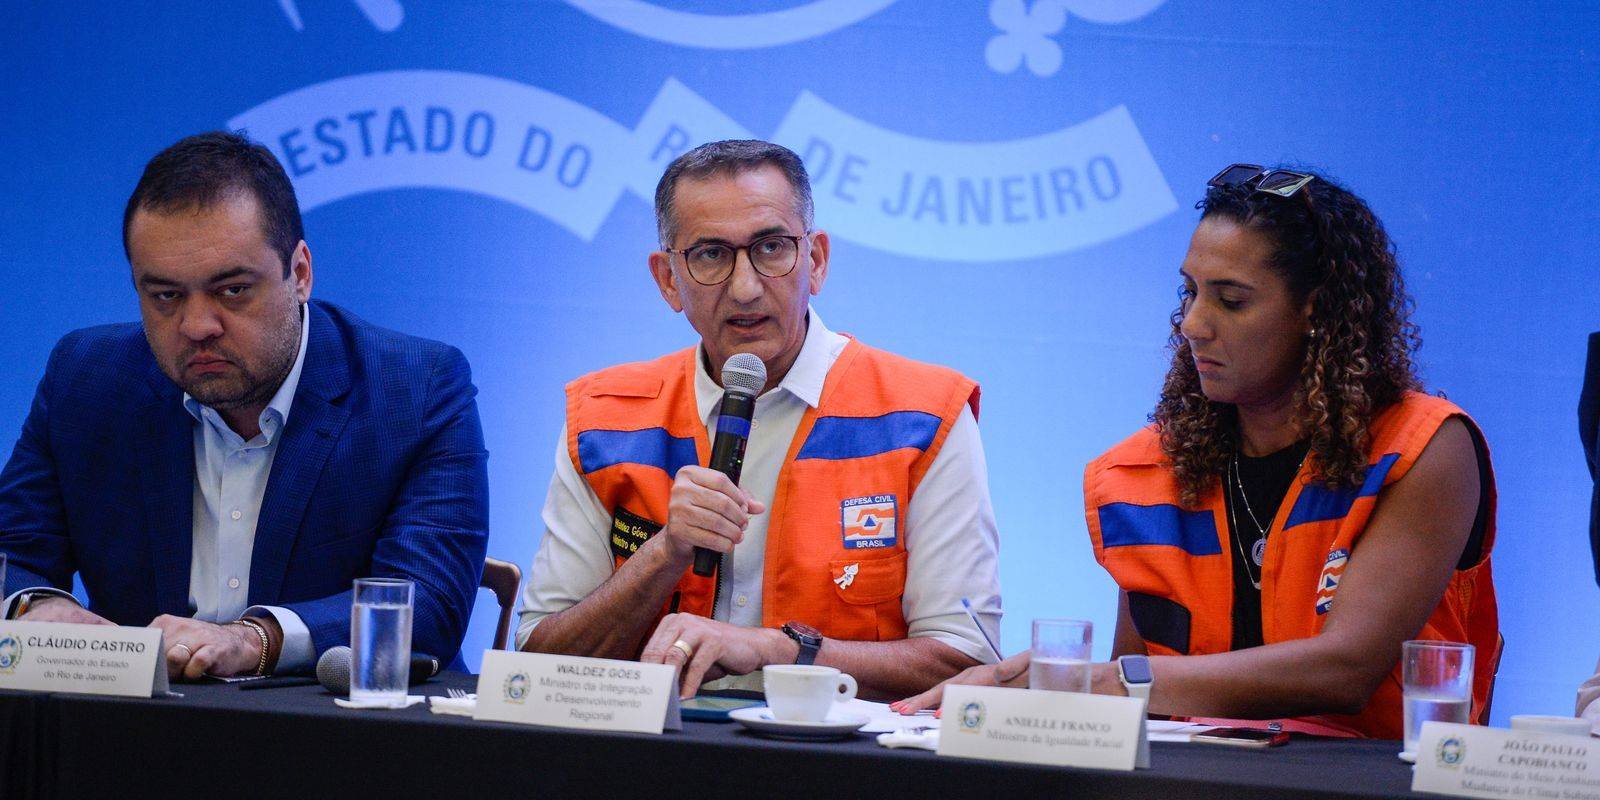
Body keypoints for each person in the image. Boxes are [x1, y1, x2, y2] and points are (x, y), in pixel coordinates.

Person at [897, 165, 1499, 739]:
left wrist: (1090, 682)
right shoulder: (1139, 472)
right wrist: (1025, 707)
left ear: (1318, 310)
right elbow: (1132, 714)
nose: (1192, 323)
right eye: (1190, 292)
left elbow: (1344, 670)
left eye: (1231, 300)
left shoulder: (1423, 447)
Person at [516, 139, 1001, 699]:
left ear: (815, 260)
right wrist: (665, 552)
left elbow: (964, 663)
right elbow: (537, 667)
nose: (745, 287)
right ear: (668, 279)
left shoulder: (923, 414)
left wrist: (783, 650)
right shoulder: (604, 417)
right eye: (711, 255)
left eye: (771, 248)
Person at [0, 131, 489, 679]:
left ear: (299, 273)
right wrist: (34, 605)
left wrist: (257, 639)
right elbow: (14, 550)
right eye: (165, 296)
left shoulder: (414, 391)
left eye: (232, 290)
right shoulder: (87, 379)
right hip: (135, 739)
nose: (197, 326)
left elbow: (427, 604)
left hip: (338, 742)